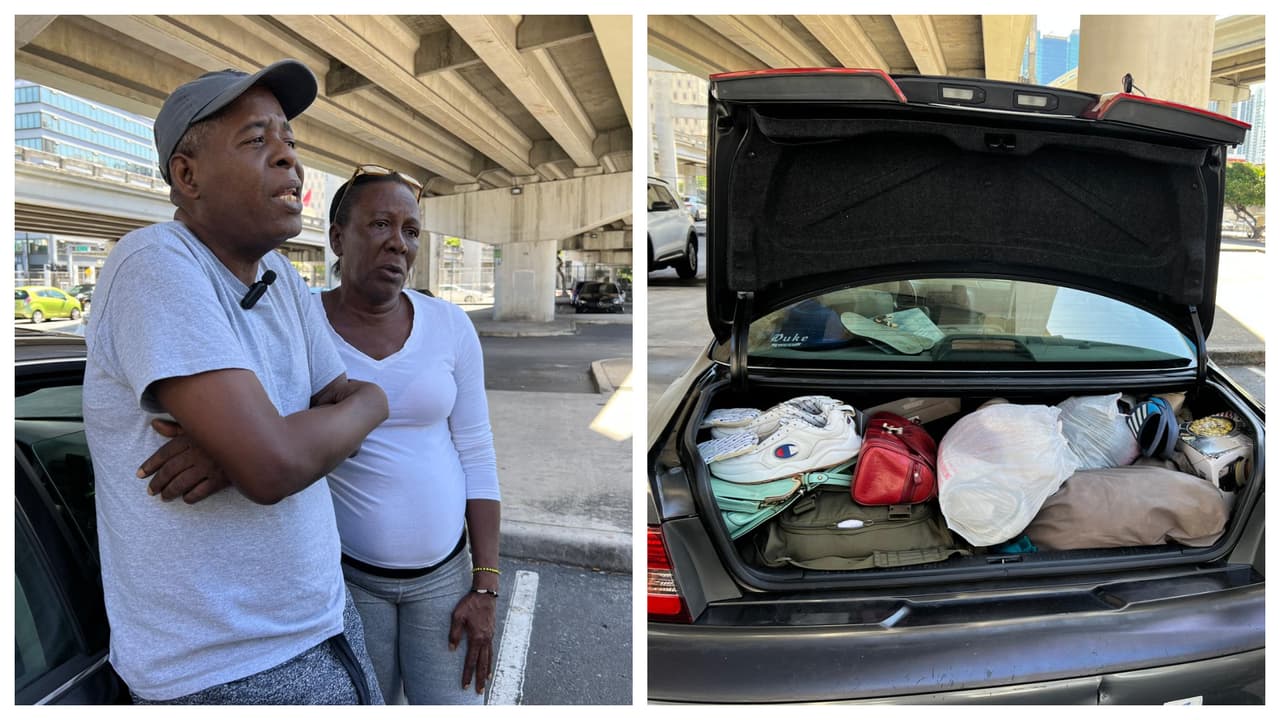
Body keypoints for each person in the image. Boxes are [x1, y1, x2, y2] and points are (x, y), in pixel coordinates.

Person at [83, 60, 388, 704]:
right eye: (256, 140)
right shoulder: (155, 263)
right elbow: (274, 467)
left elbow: (353, 402)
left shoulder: (284, 281)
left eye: (289, 141)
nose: (288, 158)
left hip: (326, 621)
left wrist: (263, 439)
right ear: (186, 175)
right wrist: (267, 446)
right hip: (224, 668)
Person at [319, 165, 503, 704]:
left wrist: (486, 584)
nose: (398, 243)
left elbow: (477, 452)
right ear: (337, 238)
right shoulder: (300, 323)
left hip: (446, 581)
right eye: (380, 224)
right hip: (346, 582)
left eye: (411, 230)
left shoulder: (450, 325)